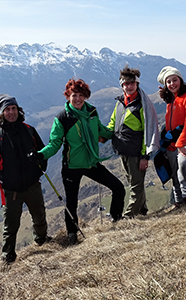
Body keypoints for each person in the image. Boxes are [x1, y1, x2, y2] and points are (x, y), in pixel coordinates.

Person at [35, 78, 125, 245]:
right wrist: (40, 155)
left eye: (81, 95)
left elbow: (101, 130)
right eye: (74, 95)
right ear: (68, 96)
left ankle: (117, 220)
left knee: (118, 188)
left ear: (86, 96)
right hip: (72, 166)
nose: (77, 99)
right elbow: (55, 144)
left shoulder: (91, 112)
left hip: (91, 162)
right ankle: (72, 234)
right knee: (71, 203)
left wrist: (120, 132)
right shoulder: (62, 118)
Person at [0, 94, 50, 264]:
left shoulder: (29, 130)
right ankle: (8, 256)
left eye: (13, 109)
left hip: (32, 184)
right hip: (11, 190)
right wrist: (4, 178)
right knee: (10, 225)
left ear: (18, 110)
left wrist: (39, 170)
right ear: (2, 113)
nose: (11, 112)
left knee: (39, 216)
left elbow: (43, 153)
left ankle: (41, 240)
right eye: (7, 110)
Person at [106, 65, 160, 218]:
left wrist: (145, 156)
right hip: (122, 150)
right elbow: (112, 124)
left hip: (136, 152)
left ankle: (129, 215)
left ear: (137, 84)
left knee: (136, 184)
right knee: (132, 181)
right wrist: (101, 134)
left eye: (132, 83)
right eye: (125, 84)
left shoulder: (141, 105)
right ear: (122, 86)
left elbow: (147, 132)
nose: (129, 86)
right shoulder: (121, 103)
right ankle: (142, 210)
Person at [157, 66, 186, 208]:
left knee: (182, 165)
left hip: (184, 142)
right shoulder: (171, 101)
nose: (172, 84)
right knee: (174, 172)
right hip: (171, 144)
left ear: (180, 80)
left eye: (174, 80)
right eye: (168, 82)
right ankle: (178, 201)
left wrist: (181, 143)